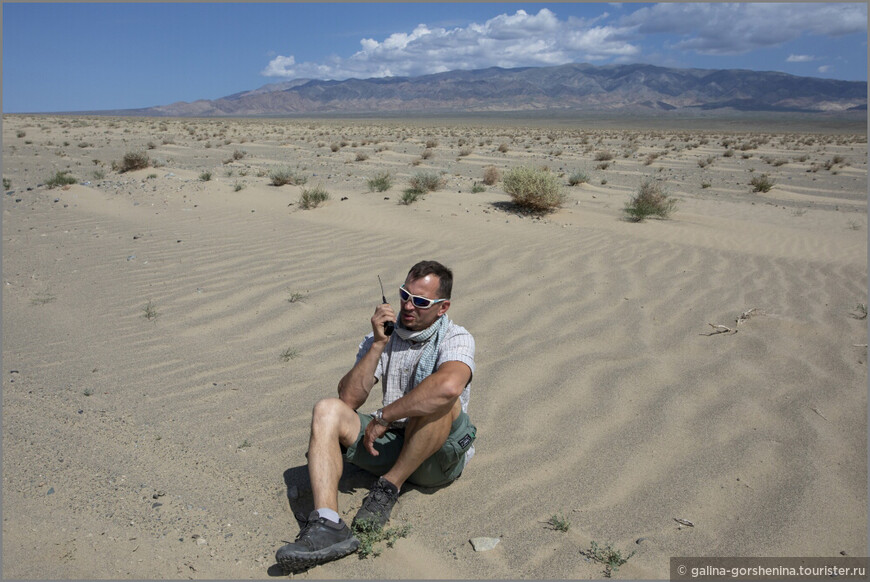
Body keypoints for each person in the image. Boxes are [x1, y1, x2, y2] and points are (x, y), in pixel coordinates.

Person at [276, 260, 477, 572]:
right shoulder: (382, 336)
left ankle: (388, 488)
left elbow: (449, 387)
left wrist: (383, 416)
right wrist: (378, 345)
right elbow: (348, 399)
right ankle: (328, 525)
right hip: (394, 441)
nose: (409, 306)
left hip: (436, 458)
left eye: (421, 301)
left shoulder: (456, 337)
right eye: (404, 295)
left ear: (442, 307)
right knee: (326, 410)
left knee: (441, 399)